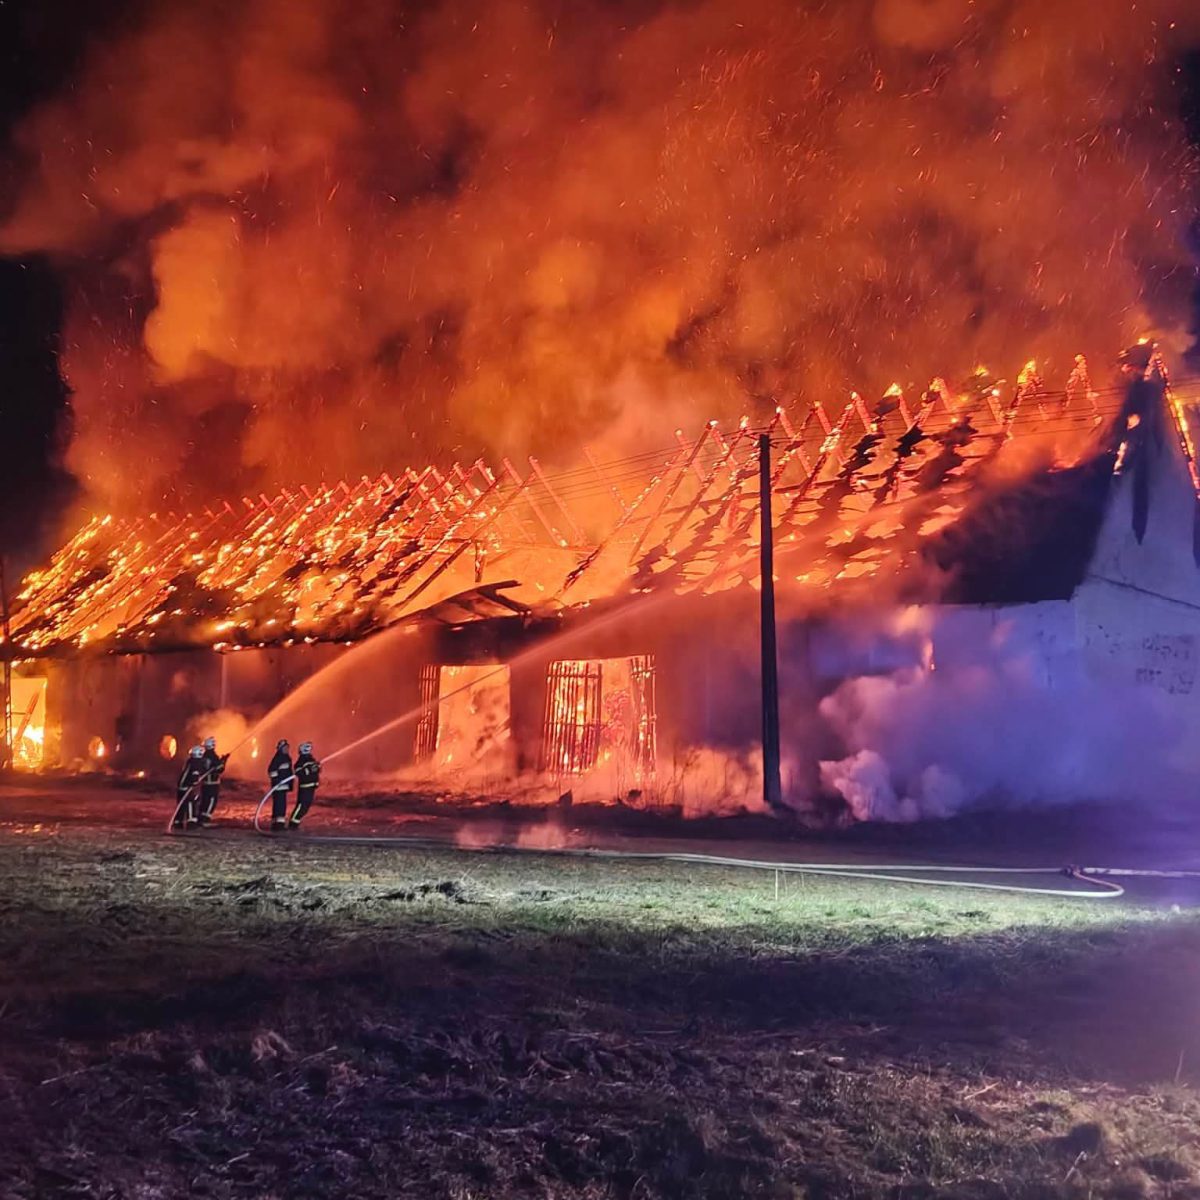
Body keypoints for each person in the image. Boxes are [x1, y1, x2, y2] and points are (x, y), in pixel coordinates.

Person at [198, 736, 229, 827]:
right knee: (211, 801)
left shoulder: (204, 756)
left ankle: (200, 818)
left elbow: (211, 766)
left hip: (205, 784)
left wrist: (221, 760)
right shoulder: (213, 756)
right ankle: (205, 820)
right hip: (212, 784)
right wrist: (224, 761)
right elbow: (219, 769)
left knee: (204, 801)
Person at [289, 742, 321, 829]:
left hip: (311, 786)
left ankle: (295, 823)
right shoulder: (301, 761)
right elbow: (298, 772)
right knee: (301, 806)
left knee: (306, 807)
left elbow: (316, 771)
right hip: (305, 787)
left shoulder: (311, 760)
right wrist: (309, 770)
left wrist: (317, 767)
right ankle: (292, 824)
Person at [174, 746, 205, 830]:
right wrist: (194, 782)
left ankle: (178, 822)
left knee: (181, 805)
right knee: (190, 803)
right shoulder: (196, 763)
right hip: (187, 787)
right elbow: (195, 774)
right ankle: (191, 822)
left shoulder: (190, 761)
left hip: (181, 786)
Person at [267, 739, 293, 832]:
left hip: (283, 787)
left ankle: (278, 824)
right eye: (285, 748)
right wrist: (278, 781)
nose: (287, 749)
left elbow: (288, 772)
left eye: (287, 747)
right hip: (278, 787)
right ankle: (278, 826)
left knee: (281, 806)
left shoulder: (286, 758)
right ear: (280, 748)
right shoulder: (278, 758)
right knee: (279, 806)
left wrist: (289, 784)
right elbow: (271, 771)